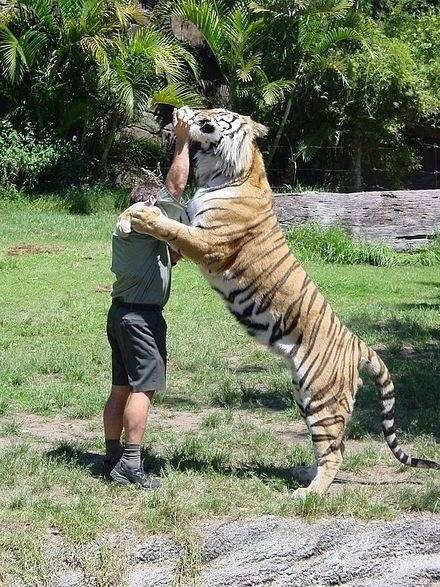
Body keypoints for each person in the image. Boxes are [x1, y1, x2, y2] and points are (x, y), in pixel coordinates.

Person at [103, 107, 192, 488]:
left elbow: (171, 254)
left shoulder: (130, 229)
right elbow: (174, 191)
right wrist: (183, 139)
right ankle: (131, 465)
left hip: (120, 314)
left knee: (120, 387)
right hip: (141, 320)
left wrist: (178, 248)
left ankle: (111, 459)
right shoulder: (143, 216)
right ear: (148, 207)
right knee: (144, 387)